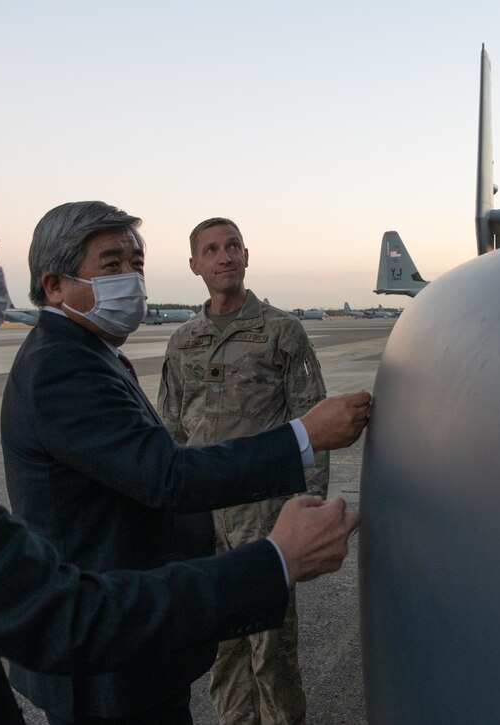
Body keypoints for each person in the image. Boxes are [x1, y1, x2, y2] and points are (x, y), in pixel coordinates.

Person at [0, 126, 365, 725]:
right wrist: (277, 556)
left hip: (126, 646)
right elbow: (65, 597)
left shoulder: (79, 356)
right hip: (106, 668)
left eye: (136, 263)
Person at [0, 201, 371, 725]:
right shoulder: (64, 367)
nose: (131, 278)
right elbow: (167, 466)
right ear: (55, 285)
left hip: (172, 583)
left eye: (136, 263)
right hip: (105, 645)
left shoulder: (91, 353)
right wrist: (304, 437)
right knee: (228, 661)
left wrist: (301, 501)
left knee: (270, 654)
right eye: (111, 264)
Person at [157, 217, 326, 724]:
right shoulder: (182, 341)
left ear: (247, 256)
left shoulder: (281, 332)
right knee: (222, 649)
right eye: (211, 250)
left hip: (265, 513)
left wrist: (308, 504)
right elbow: (171, 428)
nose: (224, 256)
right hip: (205, 517)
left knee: (271, 648)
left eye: (233, 246)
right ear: (195, 265)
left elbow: (313, 421)